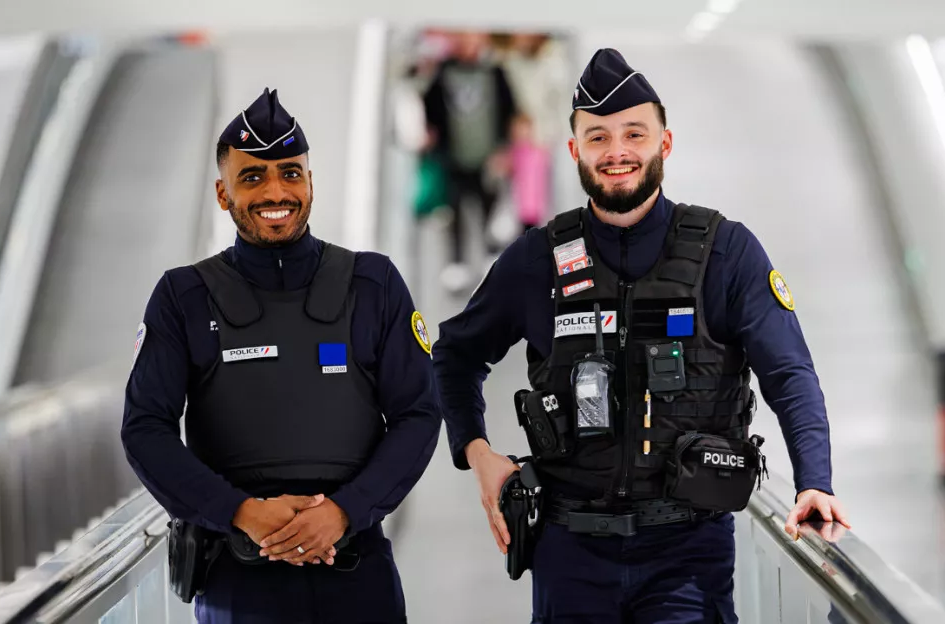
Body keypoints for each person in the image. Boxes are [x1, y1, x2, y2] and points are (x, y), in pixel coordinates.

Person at [431, 49, 851, 623]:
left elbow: (788, 372)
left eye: (634, 133)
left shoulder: (725, 253)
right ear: (575, 150)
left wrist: (815, 479)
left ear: (665, 144)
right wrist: (476, 453)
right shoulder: (537, 260)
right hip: (568, 551)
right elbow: (454, 353)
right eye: (598, 137)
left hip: (687, 555)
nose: (617, 152)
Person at [121, 88, 441, 623]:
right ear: (223, 194)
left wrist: (344, 512)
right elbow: (144, 428)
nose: (276, 190)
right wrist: (240, 512)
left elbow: (418, 412)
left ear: (311, 182)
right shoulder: (182, 297)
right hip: (237, 582)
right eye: (253, 177)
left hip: (357, 575)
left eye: (291, 173)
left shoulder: (374, 283)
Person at [421, 31, 517, 295]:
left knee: (490, 206)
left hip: (487, 158)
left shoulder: (495, 72)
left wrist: (503, 149)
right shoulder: (442, 73)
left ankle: (491, 258)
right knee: (454, 211)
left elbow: (509, 109)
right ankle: (457, 263)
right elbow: (426, 106)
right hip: (453, 158)